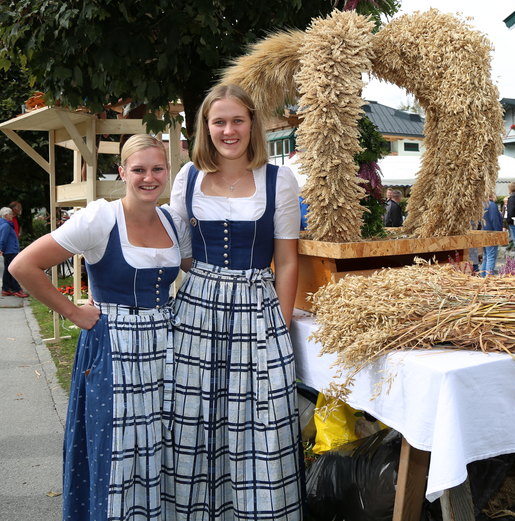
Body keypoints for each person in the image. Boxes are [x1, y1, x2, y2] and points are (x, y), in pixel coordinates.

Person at [9, 134, 190, 521]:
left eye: (157, 169)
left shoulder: (173, 220)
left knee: (162, 444)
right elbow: (23, 266)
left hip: (166, 347)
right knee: (116, 444)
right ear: (122, 172)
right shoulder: (101, 217)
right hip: (114, 346)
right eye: (138, 169)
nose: (148, 177)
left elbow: (196, 269)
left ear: (167, 172)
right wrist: (73, 314)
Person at [168, 83, 303, 520]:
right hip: (197, 309)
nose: (229, 130)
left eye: (237, 120)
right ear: (206, 127)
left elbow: (285, 261)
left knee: (261, 421)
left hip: (257, 309)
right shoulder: (187, 178)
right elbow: (181, 253)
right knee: (195, 420)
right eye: (219, 121)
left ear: (252, 124)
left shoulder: (278, 179)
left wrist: (279, 325)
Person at [0, 207, 27, 297]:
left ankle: (6, 288)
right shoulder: (6, 226)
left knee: (8, 270)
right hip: (10, 251)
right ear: (6, 215)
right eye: (11, 214)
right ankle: (17, 289)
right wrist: (1, 249)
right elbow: (3, 239)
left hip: (9, 251)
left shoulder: (5, 224)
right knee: (13, 270)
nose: (12, 216)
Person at [479, 195, 503, 276]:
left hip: (484, 232)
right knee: (491, 257)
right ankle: (488, 279)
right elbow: (495, 220)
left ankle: (483, 278)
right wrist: (499, 233)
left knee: (486, 257)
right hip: (491, 234)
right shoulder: (492, 205)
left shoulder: (482, 204)